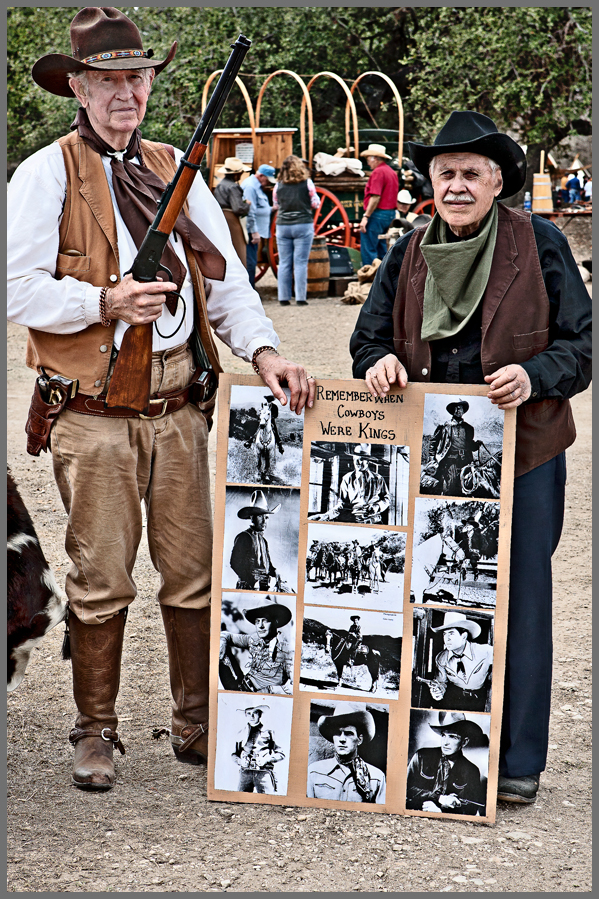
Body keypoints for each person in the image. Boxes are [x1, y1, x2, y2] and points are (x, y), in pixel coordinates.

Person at [6, 7, 316, 792]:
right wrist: (103, 302)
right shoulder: (45, 173)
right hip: (94, 416)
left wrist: (266, 350)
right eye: (107, 79)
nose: (124, 93)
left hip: (178, 410)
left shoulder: (173, 166)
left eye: (136, 78)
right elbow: (16, 288)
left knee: (193, 576)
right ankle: (95, 729)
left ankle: (195, 723)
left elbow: (225, 285)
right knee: (101, 578)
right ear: (77, 86)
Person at [350, 110, 591, 804]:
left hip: (523, 452)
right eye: (444, 173)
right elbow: (367, 342)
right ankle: (428, 748)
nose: (456, 185)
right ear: (429, 182)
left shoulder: (537, 242)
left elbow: (581, 346)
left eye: (469, 174)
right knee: (427, 597)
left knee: (519, 599)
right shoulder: (406, 251)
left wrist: (534, 376)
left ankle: (516, 760)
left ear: (495, 182)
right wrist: (382, 363)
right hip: (426, 457)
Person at [406, 711, 488, 815]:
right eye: (444, 735)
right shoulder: (421, 756)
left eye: (453, 737)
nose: (445, 742)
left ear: (464, 742)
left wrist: (442, 812)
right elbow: (405, 788)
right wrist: (440, 798)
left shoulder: (471, 770)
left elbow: (471, 809)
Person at [307, 704, 386, 803]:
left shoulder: (376, 778)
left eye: (349, 733)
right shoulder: (314, 772)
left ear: (359, 739)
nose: (342, 739)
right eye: (337, 733)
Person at [272, 155, 321, 306]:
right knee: (300, 263)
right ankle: (300, 298)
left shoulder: (278, 185)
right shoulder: (307, 183)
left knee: (285, 262)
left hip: (283, 226)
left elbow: (276, 205)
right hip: (303, 224)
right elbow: (315, 203)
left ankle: (283, 298)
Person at [220, 596, 293, 694]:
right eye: (257, 621)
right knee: (217, 649)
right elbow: (226, 635)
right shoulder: (254, 639)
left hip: (259, 697)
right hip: (241, 685)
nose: (260, 626)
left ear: (275, 622)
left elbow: (293, 684)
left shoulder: (286, 649)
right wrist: (222, 642)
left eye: (265, 620)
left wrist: (272, 691)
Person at [425, 612, 493, 712]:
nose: (446, 638)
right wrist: (438, 693)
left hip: (480, 700)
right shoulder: (441, 658)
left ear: (464, 636)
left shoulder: (485, 651)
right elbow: (441, 683)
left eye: (451, 633)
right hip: (453, 699)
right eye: (445, 634)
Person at [229, 489, 292, 592]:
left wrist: (276, 573)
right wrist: (252, 581)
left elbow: (268, 566)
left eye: (266, 517)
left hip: (264, 587)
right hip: (248, 588)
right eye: (259, 516)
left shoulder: (264, 541)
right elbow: (234, 563)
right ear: (252, 517)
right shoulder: (243, 537)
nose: (264, 521)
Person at [310, 444, 390, 523]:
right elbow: (341, 504)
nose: (357, 463)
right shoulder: (347, 478)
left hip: (374, 520)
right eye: (355, 459)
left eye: (361, 459)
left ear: (368, 461)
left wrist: (377, 506)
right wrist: (327, 516)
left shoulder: (378, 479)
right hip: (355, 520)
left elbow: (387, 499)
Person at [424, 399, 482, 496]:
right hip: (449, 461)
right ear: (453, 411)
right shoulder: (444, 427)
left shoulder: (468, 428)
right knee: (451, 489)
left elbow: (470, 445)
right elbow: (433, 443)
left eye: (461, 409)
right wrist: (432, 457)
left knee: (469, 486)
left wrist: (477, 444)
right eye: (456, 409)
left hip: (466, 460)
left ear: (463, 412)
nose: (458, 411)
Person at [358, 143, 399, 265]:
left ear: (374, 158)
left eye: (368, 159)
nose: (368, 162)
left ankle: (369, 278)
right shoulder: (391, 172)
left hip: (377, 215)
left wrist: (366, 217)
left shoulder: (378, 172)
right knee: (382, 249)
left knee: (369, 249)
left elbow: (375, 197)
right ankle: (383, 280)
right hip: (389, 215)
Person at [232, 705, 285, 793]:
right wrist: (240, 761)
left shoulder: (269, 732)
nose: (252, 716)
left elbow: (281, 754)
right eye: (249, 713)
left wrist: (266, 759)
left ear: (260, 715)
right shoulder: (240, 733)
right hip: (245, 773)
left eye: (255, 713)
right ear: (245, 715)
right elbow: (234, 754)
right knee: (241, 798)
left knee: (267, 800)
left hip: (263, 773)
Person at [213, 156, 251, 266]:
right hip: (232, 220)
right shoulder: (233, 187)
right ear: (236, 173)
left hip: (221, 219)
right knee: (239, 252)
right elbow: (238, 208)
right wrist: (247, 205)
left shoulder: (220, 185)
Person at [243, 163, 276, 287]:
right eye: (267, 179)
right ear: (261, 176)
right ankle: (249, 291)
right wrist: (254, 231)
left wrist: (271, 209)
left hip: (255, 230)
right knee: (250, 263)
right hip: (251, 231)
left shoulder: (256, 186)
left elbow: (259, 207)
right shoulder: (251, 187)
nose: (268, 182)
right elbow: (250, 211)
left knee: (252, 261)